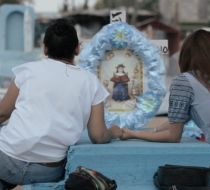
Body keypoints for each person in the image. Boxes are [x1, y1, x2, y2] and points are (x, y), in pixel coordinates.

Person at [0, 19, 121, 189]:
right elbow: (98, 136)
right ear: (77, 48)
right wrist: (113, 132)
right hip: (47, 171)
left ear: (45, 48)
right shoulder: (91, 83)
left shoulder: (27, 71)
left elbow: (2, 114)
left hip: (5, 160)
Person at [119, 30, 210, 181]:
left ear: (186, 53)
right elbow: (177, 119)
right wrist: (153, 129)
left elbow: (173, 136)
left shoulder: (184, 81)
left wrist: (134, 134)